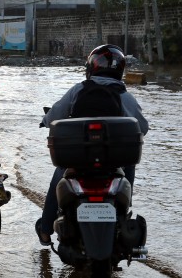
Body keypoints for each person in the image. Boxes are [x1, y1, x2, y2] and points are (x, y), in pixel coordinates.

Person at [36, 44, 149, 246]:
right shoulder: (124, 95)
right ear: (119, 70)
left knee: (57, 182)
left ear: (91, 67)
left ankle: (45, 231)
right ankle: (124, 208)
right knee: (129, 164)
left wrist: (45, 121)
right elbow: (142, 127)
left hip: (78, 159)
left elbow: (55, 115)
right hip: (113, 161)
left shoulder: (79, 89)